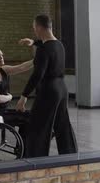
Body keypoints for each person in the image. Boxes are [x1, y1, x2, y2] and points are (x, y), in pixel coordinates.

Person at [15, 14, 77, 158]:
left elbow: (38, 75)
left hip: (48, 90)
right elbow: (47, 46)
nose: (34, 31)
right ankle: (70, 156)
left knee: (38, 127)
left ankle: (36, 159)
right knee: (62, 125)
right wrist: (33, 42)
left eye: (34, 28)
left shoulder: (43, 50)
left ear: (38, 27)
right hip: (61, 89)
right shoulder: (59, 45)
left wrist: (23, 96)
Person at [0, 45, 34, 148]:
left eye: (1, 55)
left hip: (3, 112)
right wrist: (10, 97)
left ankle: (23, 148)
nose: (1, 58)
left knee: (30, 115)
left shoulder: (4, 70)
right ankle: (24, 149)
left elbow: (21, 67)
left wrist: (37, 59)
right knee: (27, 119)